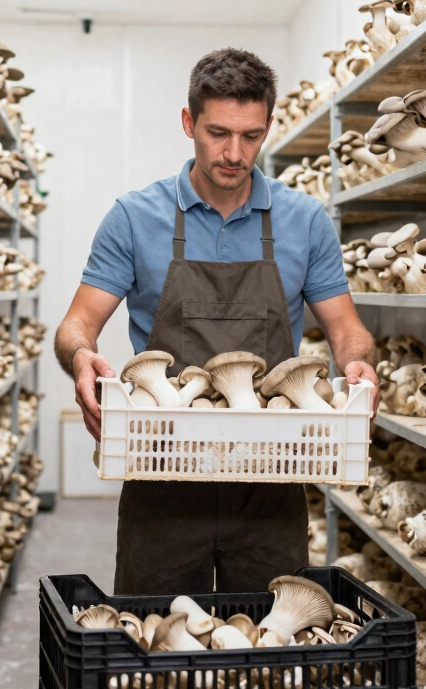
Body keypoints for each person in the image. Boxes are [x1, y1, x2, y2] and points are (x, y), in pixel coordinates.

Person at [54, 48, 380, 595]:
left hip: (272, 475)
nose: (234, 153)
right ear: (189, 123)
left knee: (271, 634)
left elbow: (347, 330)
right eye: (218, 133)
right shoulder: (135, 217)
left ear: (268, 127)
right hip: (161, 473)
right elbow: (76, 325)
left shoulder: (304, 221)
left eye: (251, 136)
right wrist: (81, 358)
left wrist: (360, 364)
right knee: (151, 631)